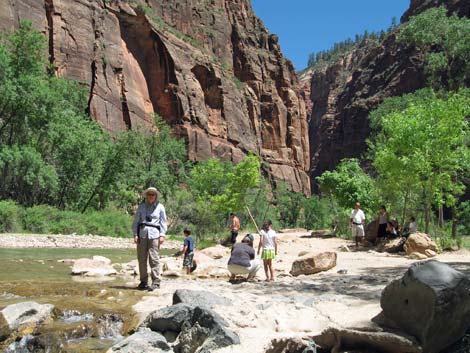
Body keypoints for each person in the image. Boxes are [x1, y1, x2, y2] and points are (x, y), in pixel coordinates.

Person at [132, 187, 167, 291]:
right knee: (141, 259)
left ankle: (156, 282)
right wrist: (135, 234)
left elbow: (163, 222)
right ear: (146, 196)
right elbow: (136, 222)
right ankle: (143, 281)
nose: (151, 196)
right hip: (142, 234)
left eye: (153, 194)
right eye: (149, 194)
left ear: (156, 196)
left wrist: (162, 235)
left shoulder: (160, 207)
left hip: (155, 235)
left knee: (154, 259)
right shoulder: (141, 207)